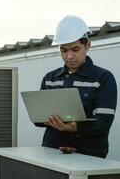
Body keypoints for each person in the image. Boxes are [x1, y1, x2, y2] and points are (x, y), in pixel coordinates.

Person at [37, 15, 117, 158]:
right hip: (52, 152)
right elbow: (39, 120)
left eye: (75, 49)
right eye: (64, 50)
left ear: (87, 46)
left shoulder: (103, 78)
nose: (69, 56)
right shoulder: (50, 79)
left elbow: (103, 123)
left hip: (88, 156)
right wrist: (44, 118)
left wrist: (73, 127)